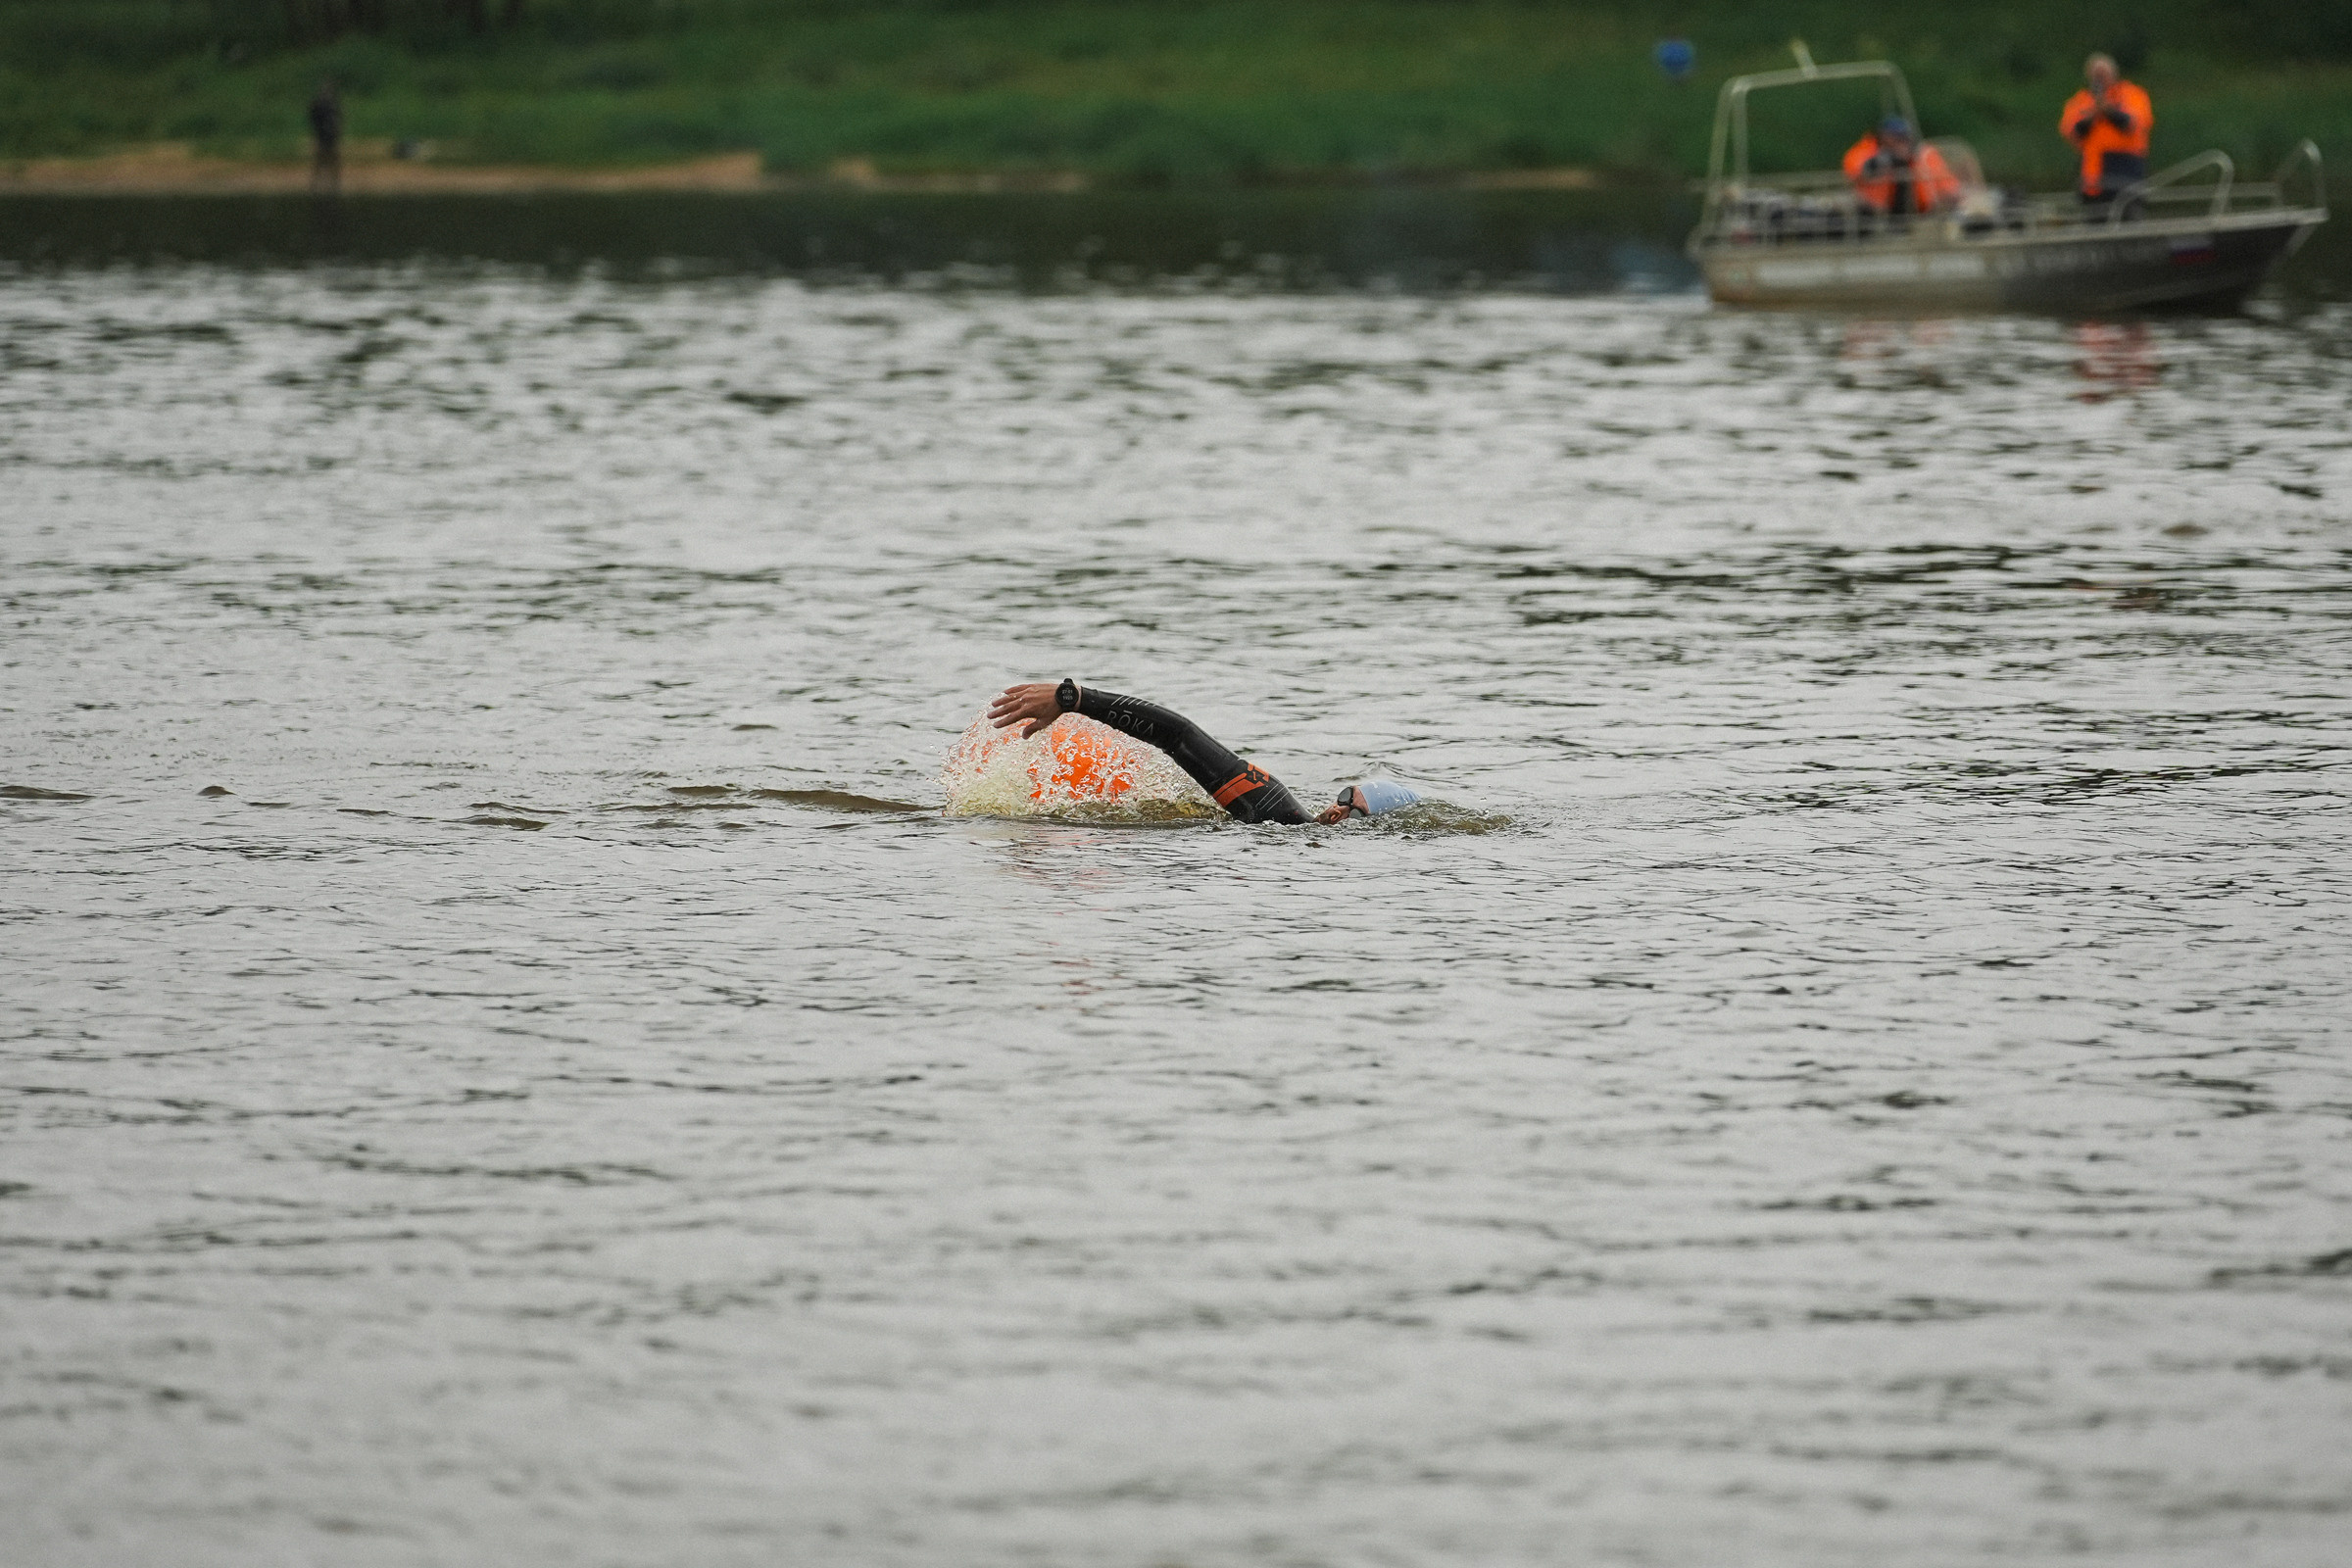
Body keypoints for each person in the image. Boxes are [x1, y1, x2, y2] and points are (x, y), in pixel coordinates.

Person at [986, 678, 1420, 825]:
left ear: (1350, 820)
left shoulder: (1281, 817)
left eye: (1348, 800)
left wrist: (1074, 698)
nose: (1335, 805)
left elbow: (1179, 736)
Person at [2059, 53, 2153, 209]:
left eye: (2104, 73)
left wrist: (2108, 110)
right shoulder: (2080, 100)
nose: (2100, 78)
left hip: (2125, 167)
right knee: (2095, 218)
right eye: (2096, 74)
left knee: (2127, 213)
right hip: (2092, 173)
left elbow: (2134, 124)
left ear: (2114, 73)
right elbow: (2071, 131)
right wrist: (2092, 115)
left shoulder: (2132, 94)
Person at [1841, 116, 1962, 218]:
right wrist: (1885, 160)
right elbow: (1857, 171)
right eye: (1896, 137)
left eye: (1903, 137)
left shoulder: (1923, 153)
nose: (1900, 142)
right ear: (1883, 136)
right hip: (1877, 212)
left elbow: (1948, 185)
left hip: (1922, 210)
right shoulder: (1866, 151)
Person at [308, 78, 343, 193]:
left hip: (328, 136)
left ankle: (330, 183)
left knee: (328, 160)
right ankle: (323, 183)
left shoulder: (329, 104)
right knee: (324, 160)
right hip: (325, 136)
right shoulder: (324, 105)